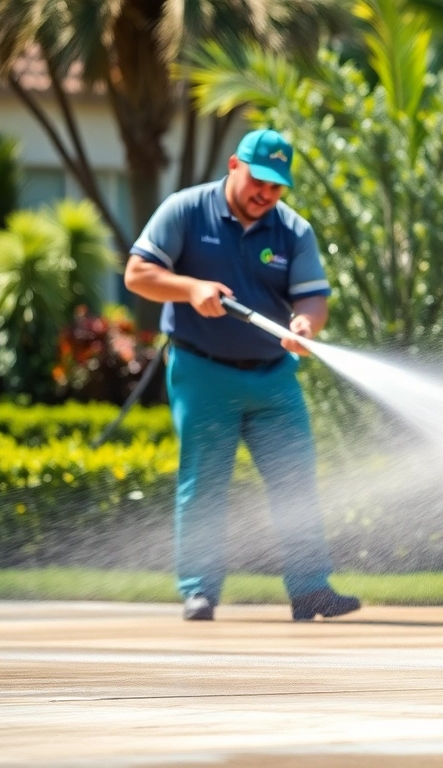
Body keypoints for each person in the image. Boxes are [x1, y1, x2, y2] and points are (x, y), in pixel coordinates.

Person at [124, 129, 360, 622]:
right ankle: (199, 592)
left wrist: (305, 324)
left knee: (295, 480)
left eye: (277, 187)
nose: (266, 194)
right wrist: (190, 289)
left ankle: (311, 590)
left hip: (273, 378)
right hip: (202, 369)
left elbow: (313, 297)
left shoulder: (293, 231)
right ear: (234, 165)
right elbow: (138, 273)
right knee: (204, 482)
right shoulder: (185, 210)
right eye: (259, 180)